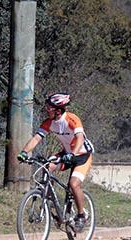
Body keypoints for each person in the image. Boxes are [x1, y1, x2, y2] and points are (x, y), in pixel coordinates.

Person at [17, 93, 94, 232]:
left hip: (82, 155)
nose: (46, 109)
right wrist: (24, 152)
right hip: (66, 154)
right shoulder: (49, 123)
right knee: (48, 166)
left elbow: (80, 138)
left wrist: (72, 154)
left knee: (73, 184)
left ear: (58, 110)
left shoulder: (72, 119)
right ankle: (48, 197)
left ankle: (82, 215)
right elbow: (36, 139)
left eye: (49, 107)